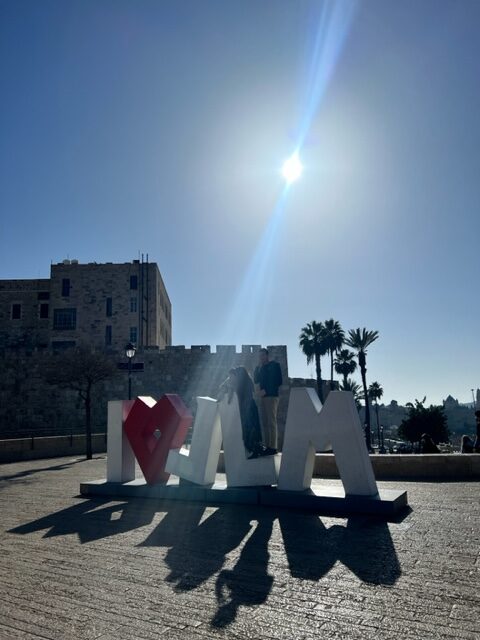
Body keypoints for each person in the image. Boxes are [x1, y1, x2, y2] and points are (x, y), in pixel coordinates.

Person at [228, 367, 266, 459]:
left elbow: (236, 393)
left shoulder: (241, 384)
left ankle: (255, 449)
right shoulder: (248, 382)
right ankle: (257, 448)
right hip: (251, 407)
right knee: (252, 429)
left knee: (249, 429)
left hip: (247, 408)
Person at [254, 348, 283, 454]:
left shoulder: (274, 366)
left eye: (263, 355)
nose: (261, 358)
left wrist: (266, 390)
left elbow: (278, 381)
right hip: (263, 398)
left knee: (271, 421)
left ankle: (273, 447)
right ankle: (267, 446)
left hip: (271, 396)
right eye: (259, 356)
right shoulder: (260, 368)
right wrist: (257, 368)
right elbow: (256, 380)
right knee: (265, 422)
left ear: (267, 355)